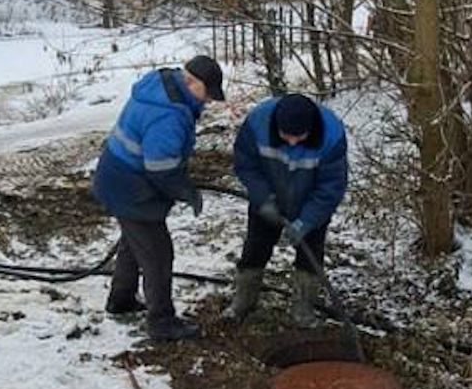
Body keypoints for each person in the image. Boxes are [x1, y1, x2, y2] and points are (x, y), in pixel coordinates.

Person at [91, 55, 225, 341]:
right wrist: (186, 191)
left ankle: (122, 299)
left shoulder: (162, 87)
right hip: (130, 186)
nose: (209, 102)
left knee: (134, 242)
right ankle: (162, 322)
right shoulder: (169, 114)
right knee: (158, 254)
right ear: (191, 82)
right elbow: (161, 168)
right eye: (207, 94)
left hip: (117, 176)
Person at [225, 93, 348, 327]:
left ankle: (303, 309)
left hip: (311, 205)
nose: (292, 142)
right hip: (268, 201)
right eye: (286, 136)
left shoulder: (331, 135)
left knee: (310, 259)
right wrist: (263, 199)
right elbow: (246, 165)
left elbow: (331, 187)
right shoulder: (258, 123)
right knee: (254, 250)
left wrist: (307, 221)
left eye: (299, 137)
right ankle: (243, 302)